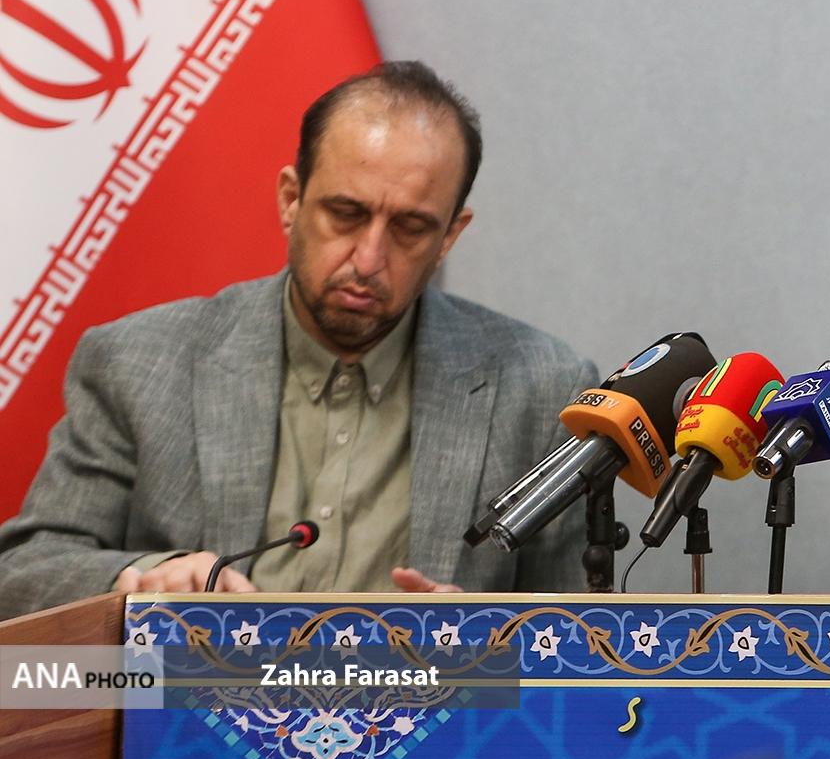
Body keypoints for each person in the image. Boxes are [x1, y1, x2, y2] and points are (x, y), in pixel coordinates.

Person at [0, 61, 595, 618]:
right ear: (291, 200)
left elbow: (579, 640)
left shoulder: (542, 391)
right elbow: (24, 574)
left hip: (426, 694)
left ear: (449, 237)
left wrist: (482, 638)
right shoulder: (138, 364)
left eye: (411, 228)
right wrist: (145, 578)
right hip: (194, 694)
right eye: (346, 214)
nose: (368, 259)